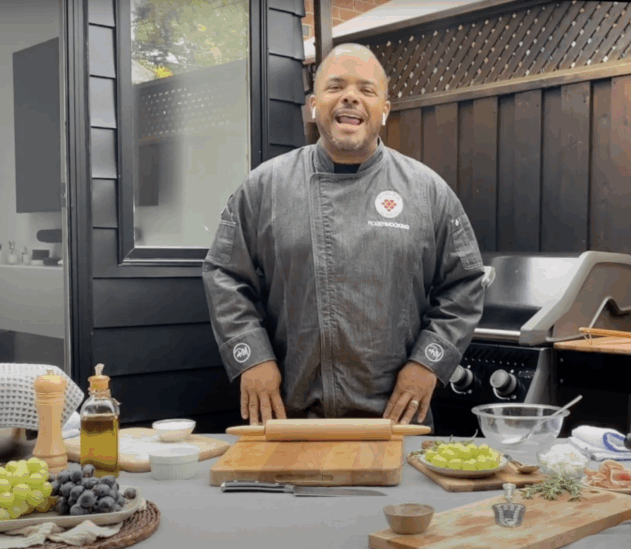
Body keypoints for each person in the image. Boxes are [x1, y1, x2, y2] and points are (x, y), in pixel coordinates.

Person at [202, 43, 486, 430]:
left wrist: (429, 363)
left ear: (384, 110)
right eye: (336, 87)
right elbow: (224, 274)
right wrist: (251, 356)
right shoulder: (264, 187)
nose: (351, 96)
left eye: (367, 90)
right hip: (288, 414)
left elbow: (464, 285)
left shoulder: (427, 192)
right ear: (314, 105)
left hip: (396, 419)